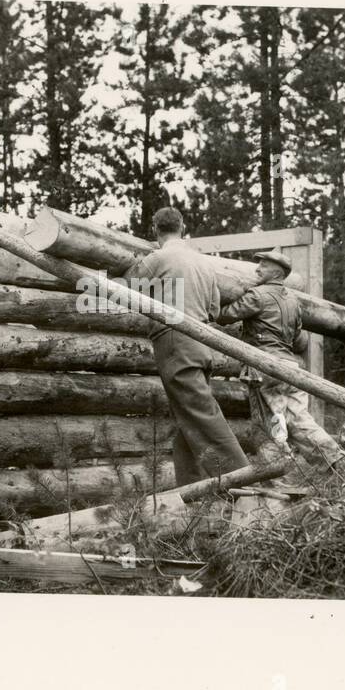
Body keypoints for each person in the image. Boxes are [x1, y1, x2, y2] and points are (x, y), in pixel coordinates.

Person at [125, 207, 249, 485]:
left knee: (200, 413)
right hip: (202, 343)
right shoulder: (204, 263)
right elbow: (215, 308)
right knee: (186, 415)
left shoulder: (159, 257)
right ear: (182, 227)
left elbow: (128, 286)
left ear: (156, 230)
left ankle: (243, 481)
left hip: (175, 340)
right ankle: (192, 492)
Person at [218, 250, 345, 472]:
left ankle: (279, 478)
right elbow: (299, 342)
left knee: (268, 426)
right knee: (300, 420)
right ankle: (337, 460)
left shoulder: (257, 296)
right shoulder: (294, 302)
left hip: (264, 365)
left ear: (276, 272)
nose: (257, 269)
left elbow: (225, 315)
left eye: (263, 265)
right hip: (290, 368)